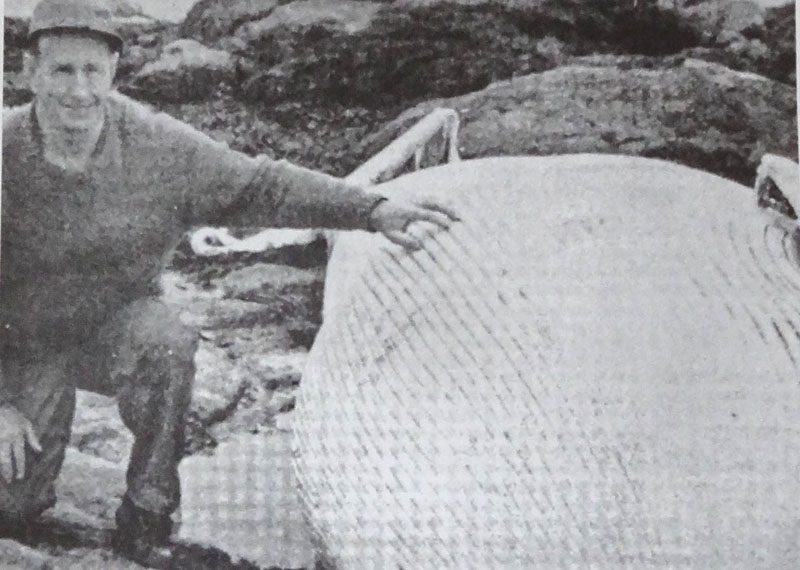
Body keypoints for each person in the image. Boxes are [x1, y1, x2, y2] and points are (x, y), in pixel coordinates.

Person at [0, 0, 458, 566]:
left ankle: (147, 515)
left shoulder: (158, 146)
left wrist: (372, 209)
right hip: (20, 344)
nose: (77, 89)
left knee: (168, 342)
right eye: (61, 70)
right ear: (27, 72)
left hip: (116, 325)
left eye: (92, 70)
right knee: (12, 508)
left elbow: (262, 185)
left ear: (114, 72)